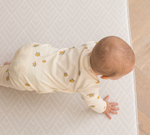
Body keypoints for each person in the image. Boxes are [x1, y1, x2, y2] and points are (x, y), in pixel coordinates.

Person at [0, 36, 135, 120]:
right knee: (9, 77)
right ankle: (10, 72)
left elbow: (102, 48)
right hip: (26, 75)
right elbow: (93, 102)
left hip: (30, 51)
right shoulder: (89, 85)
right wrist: (104, 107)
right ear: (105, 77)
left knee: (36, 61)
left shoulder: (89, 47)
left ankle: (13, 67)